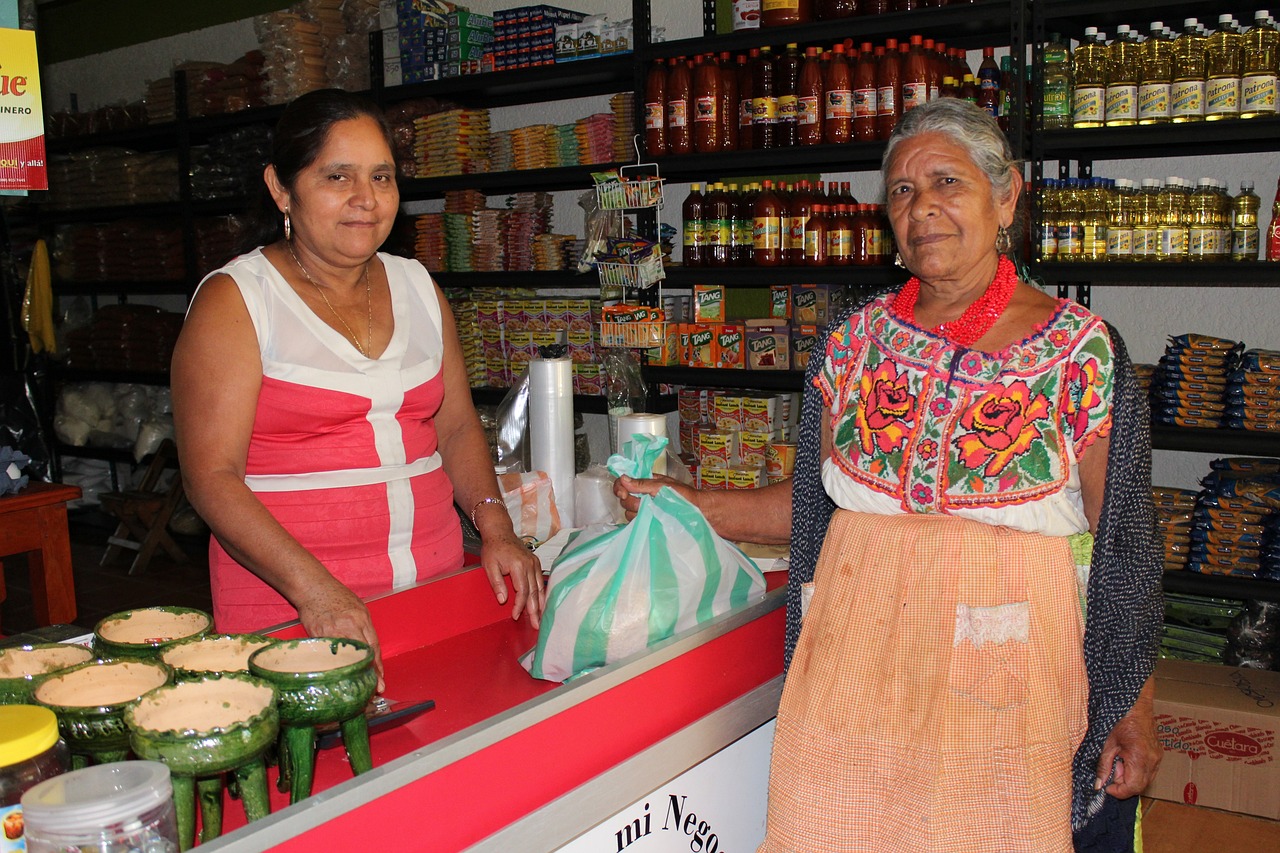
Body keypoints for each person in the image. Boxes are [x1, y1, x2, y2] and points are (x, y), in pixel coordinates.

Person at [617, 99, 1162, 852]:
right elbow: (808, 509)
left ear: (1006, 197)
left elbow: (1125, 544)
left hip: (1003, 688)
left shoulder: (1081, 352)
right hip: (852, 672)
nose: (923, 207)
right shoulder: (851, 346)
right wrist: (687, 501)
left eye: (947, 181)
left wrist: (1132, 704)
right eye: (902, 191)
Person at [172, 90, 544, 688]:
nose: (365, 200)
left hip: (431, 597)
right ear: (281, 187)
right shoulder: (238, 301)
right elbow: (210, 477)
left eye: (381, 177)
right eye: (336, 176)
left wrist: (497, 528)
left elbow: (453, 426)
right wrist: (316, 593)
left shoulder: (418, 286)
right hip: (295, 616)